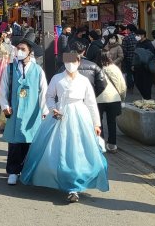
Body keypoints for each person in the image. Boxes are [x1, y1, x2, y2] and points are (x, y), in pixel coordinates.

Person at [21, 51, 108, 203]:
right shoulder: (57, 78)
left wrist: (96, 123)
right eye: (68, 61)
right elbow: (49, 96)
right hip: (59, 114)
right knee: (55, 147)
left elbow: (91, 102)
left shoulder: (84, 81)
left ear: (79, 62)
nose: (70, 64)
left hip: (80, 114)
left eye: (74, 61)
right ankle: (57, 177)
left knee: (78, 148)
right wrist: (52, 108)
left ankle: (74, 186)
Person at [1, 39, 48, 185]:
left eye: (23, 49)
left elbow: (43, 92)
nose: (19, 51)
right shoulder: (9, 68)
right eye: (18, 49)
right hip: (15, 110)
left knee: (30, 143)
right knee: (15, 143)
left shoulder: (38, 70)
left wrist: (44, 110)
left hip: (33, 111)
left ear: (30, 52)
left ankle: (28, 171)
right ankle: (13, 171)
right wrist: (5, 105)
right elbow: (4, 88)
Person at [98, 51, 126, 153]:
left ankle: (100, 144)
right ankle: (112, 145)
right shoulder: (116, 69)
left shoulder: (97, 69)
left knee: (98, 121)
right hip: (114, 99)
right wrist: (122, 99)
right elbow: (123, 86)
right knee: (112, 122)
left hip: (99, 99)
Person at [131, 30, 155, 100]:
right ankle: (145, 97)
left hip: (147, 67)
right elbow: (135, 54)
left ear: (143, 35)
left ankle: (147, 99)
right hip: (138, 67)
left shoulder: (148, 44)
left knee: (146, 85)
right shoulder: (138, 43)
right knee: (138, 83)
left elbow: (150, 55)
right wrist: (133, 64)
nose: (136, 37)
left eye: (137, 35)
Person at [121, 24, 138, 92]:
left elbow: (124, 50)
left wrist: (123, 58)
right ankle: (137, 84)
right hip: (137, 58)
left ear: (129, 30)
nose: (126, 31)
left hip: (129, 58)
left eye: (127, 29)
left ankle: (130, 86)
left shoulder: (126, 38)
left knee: (129, 73)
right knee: (136, 72)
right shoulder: (138, 37)